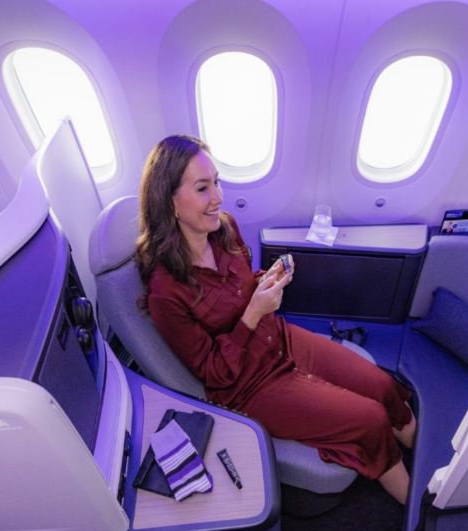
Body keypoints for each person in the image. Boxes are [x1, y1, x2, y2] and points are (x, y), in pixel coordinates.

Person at [135, 135, 417, 504]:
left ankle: (433, 459)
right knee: (371, 420)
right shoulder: (165, 292)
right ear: (170, 202)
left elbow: (242, 285)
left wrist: (266, 280)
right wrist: (254, 312)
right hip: (249, 386)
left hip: (280, 339)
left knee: (382, 385)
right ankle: (420, 511)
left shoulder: (224, 228)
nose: (218, 197)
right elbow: (214, 372)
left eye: (217, 182)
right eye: (203, 188)